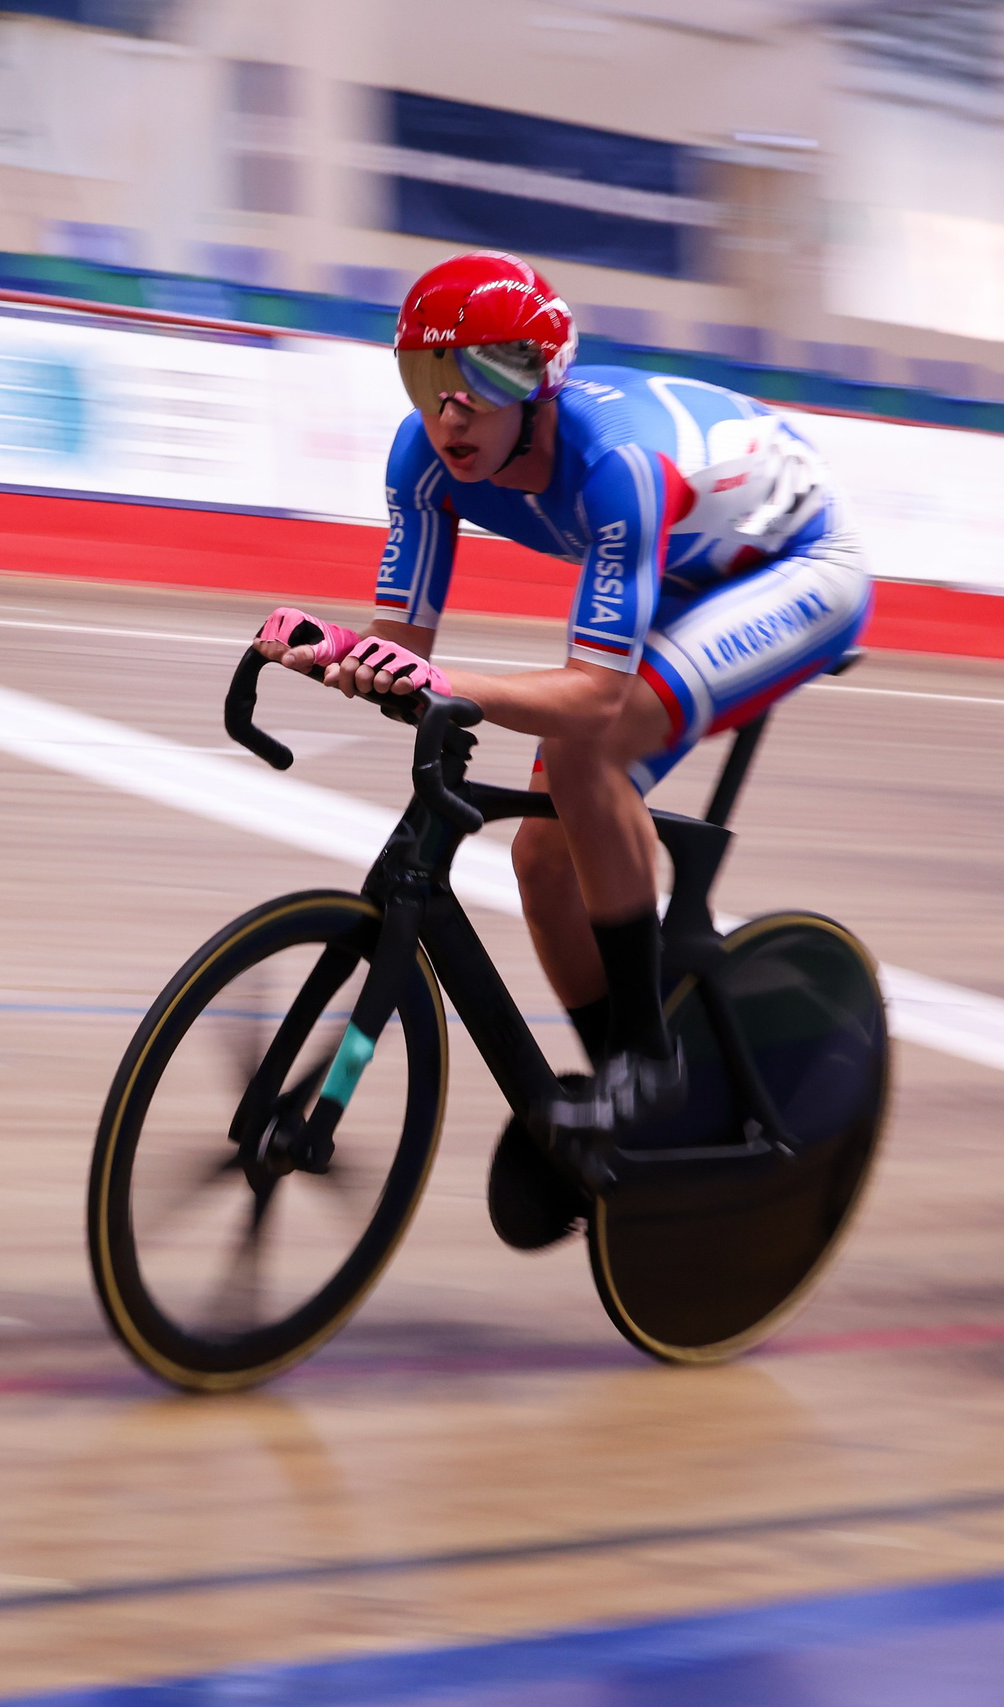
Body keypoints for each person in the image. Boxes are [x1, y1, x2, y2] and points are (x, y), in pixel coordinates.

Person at [253, 250, 872, 1249]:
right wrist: (331, 653)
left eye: (481, 381)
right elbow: (402, 652)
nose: (449, 413)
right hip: (688, 557)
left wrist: (448, 686)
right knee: (542, 855)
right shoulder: (421, 462)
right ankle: (623, 1100)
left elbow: (589, 698)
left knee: (583, 756)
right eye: (426, 380)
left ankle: (651, 1066)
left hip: (797, 566)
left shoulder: (610, 463)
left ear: (540, 382)